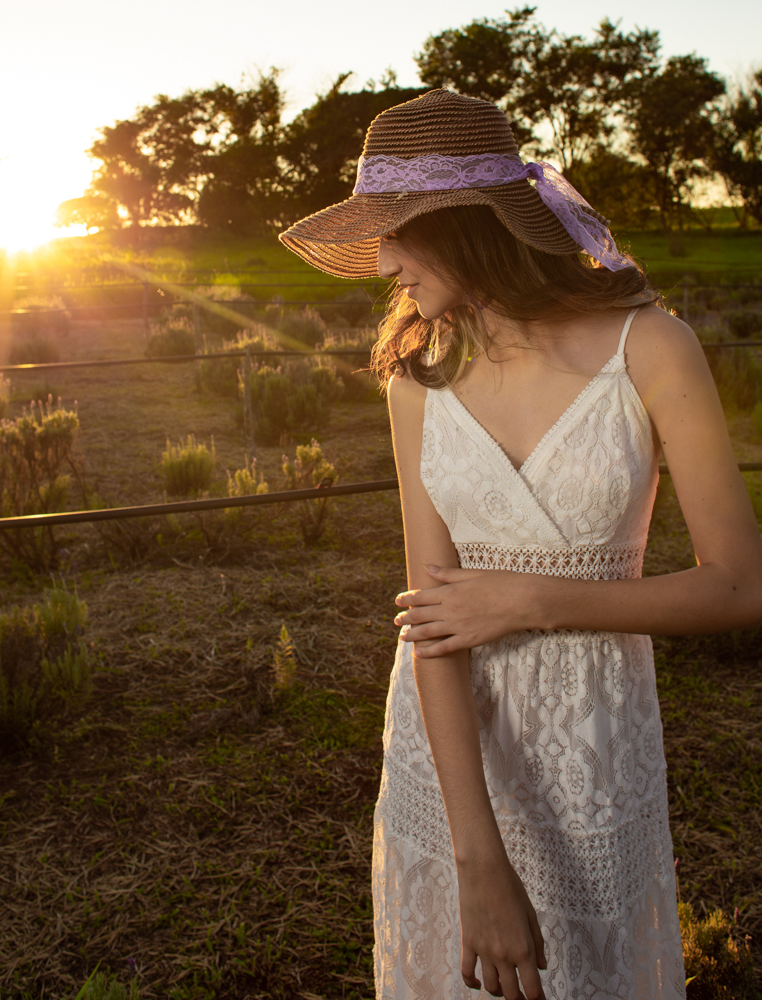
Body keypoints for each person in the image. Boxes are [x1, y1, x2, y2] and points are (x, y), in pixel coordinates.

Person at [279, 89, 762, 1000]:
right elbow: (429, 617)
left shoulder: (652, 349)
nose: (381, 260)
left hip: (594, 743)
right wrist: (476, 859)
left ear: (466, 224)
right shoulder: (417, 380)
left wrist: (529, 599)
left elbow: (741, 585)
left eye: (396, 229)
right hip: (450, 756)